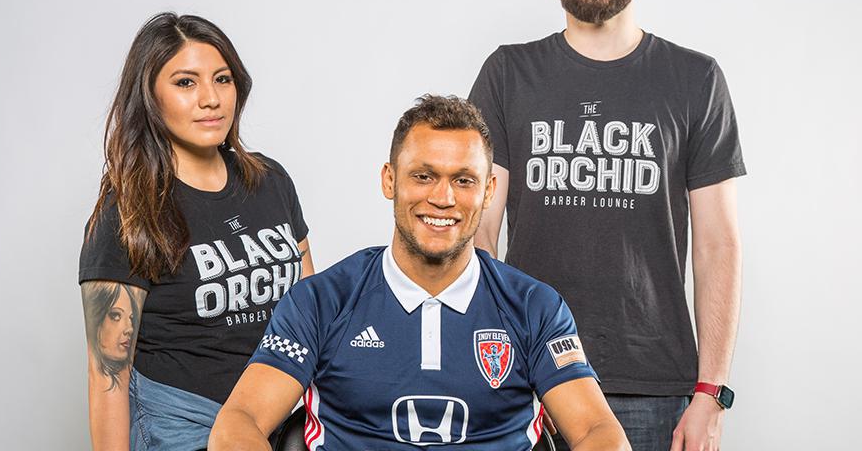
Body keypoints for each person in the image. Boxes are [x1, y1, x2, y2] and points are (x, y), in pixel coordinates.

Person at [468, 0, 746, 450]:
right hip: (527, 377)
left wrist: (710, 392)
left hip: (653, 387)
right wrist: (488, 355)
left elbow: (718, 244)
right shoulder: (508, 74)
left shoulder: (694, 79)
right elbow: (480, 229)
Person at [209, 95, 630, 451]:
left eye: (463, 180)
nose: (443, 198)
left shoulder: (534, 306)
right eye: (424, 176)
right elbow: (240, 421)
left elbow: (598, 431)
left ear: (488, 191)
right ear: (389, 180)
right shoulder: (320, 301)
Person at [79, 13, 314, 451]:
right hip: (185, 425)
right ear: (149, 97)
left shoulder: (270, 181)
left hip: (280, 417)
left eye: (223, 79)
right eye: (186, 83)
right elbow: (108, 373)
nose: (211, 99)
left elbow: (307, 311)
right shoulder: (128, 211)